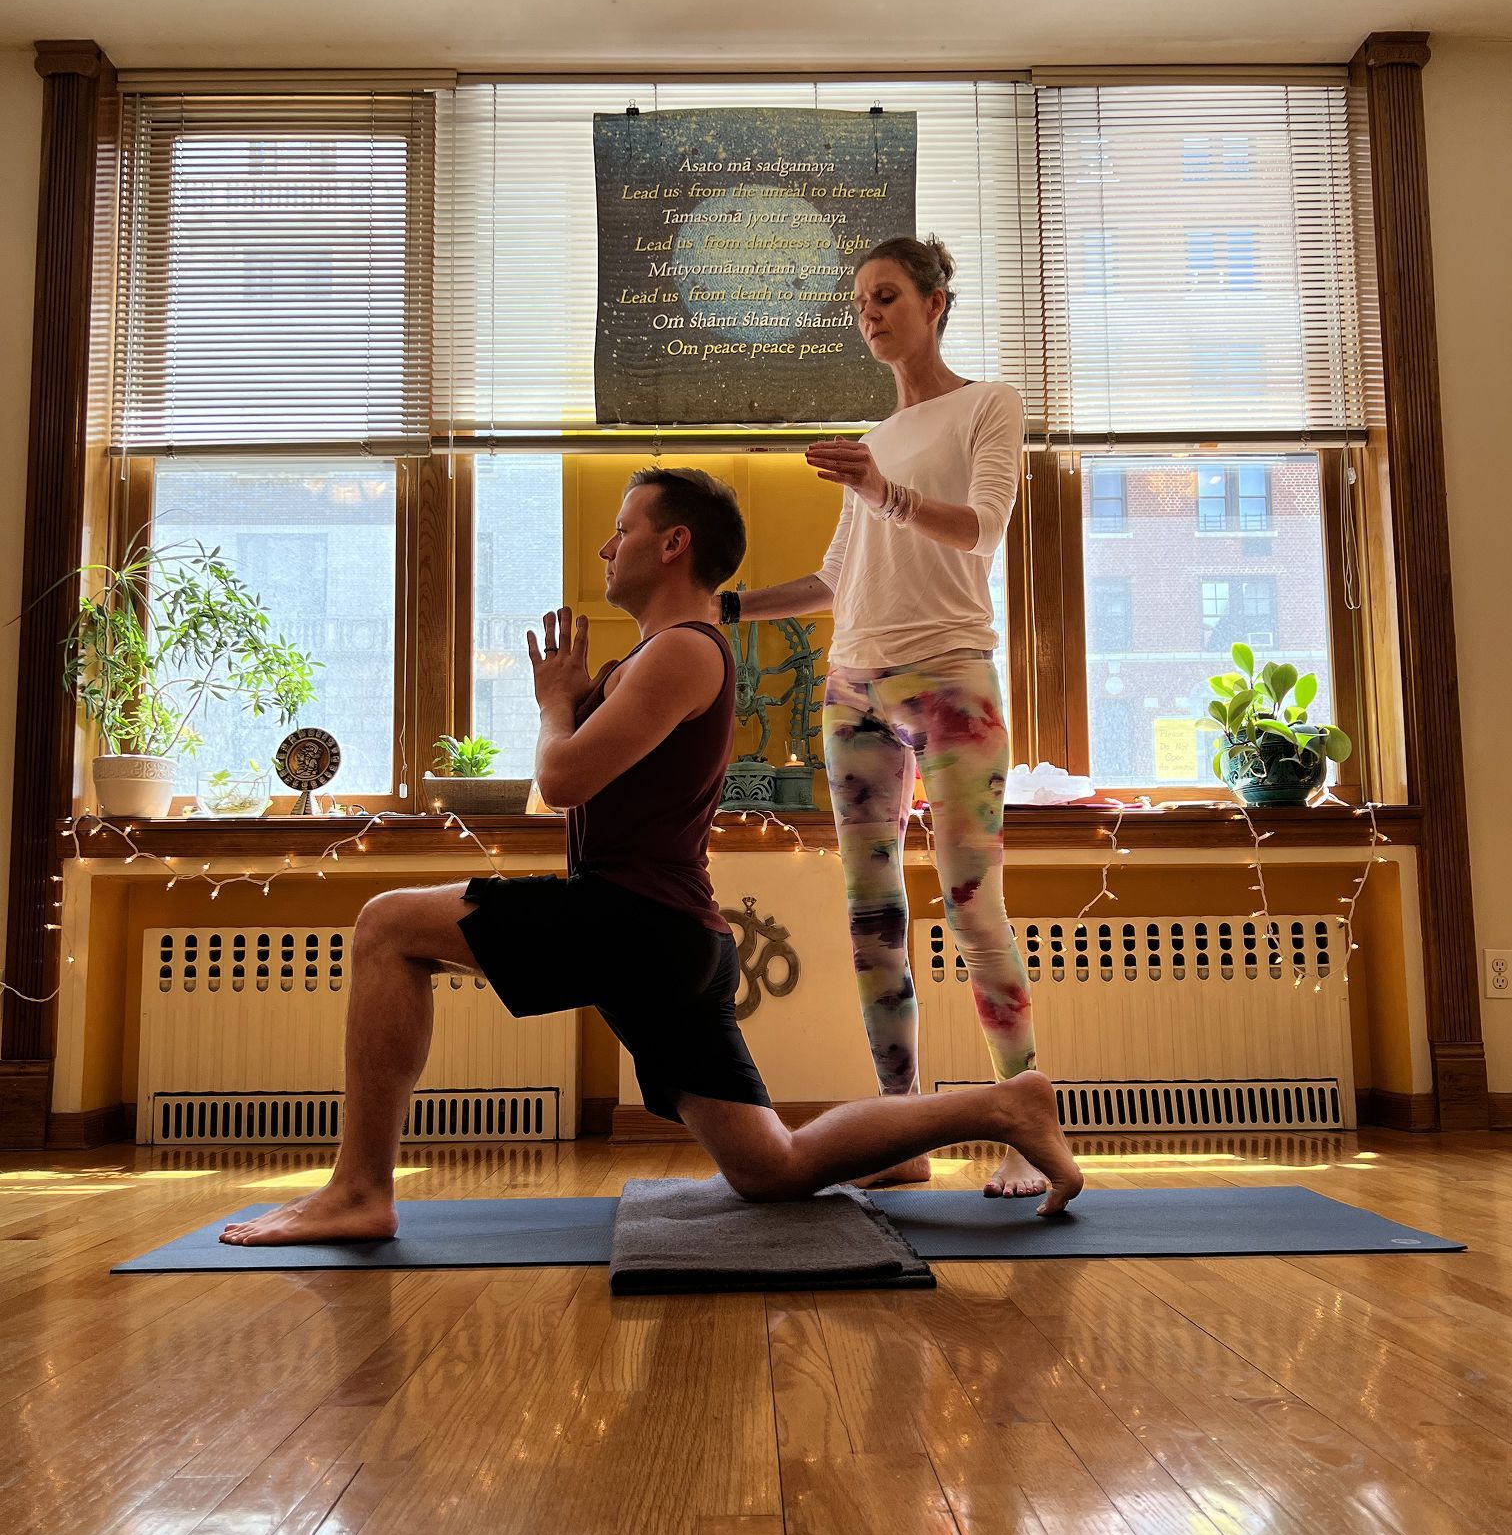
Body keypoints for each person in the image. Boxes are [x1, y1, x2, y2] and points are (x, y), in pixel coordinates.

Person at [220, 467, 1079, 1247]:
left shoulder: (683, 650)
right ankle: (1003, 1103)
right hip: (665, 938)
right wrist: (579, 693)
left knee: (387, 925)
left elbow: (559, 780)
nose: (606, 544)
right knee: (770, 1167)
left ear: (675, 545)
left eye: (624, 528)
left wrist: (556, 702)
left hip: (634, 921)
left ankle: (360, 1188)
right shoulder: (657, 654)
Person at [720, 235, 1047, 1197]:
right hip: (853, 688)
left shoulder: (988, 404)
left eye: (887, 295)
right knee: (873, 922)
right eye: (859, 302)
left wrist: (883, 488)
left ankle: (1024, 1129)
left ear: (937, 301)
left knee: (971, 905)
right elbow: (835, 580)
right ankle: (897, 1133)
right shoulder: (875, 438)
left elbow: (979, 530)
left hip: (950, 681)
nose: (870, 313)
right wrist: (730, 606)